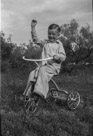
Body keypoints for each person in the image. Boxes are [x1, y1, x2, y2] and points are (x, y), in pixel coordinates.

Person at [23, 20, 66, 106]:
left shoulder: (58, 44)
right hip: (43, 66)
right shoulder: (46, 43)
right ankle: (27, 95)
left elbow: (63, 56)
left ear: (58, 35)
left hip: (53, 67)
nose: (51, 36)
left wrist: (57, 57)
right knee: (32, 73)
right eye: (49, 34)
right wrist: (33, 27)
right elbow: (36, 39)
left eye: (53, 34)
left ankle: (40, 92)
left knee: (42, 71)